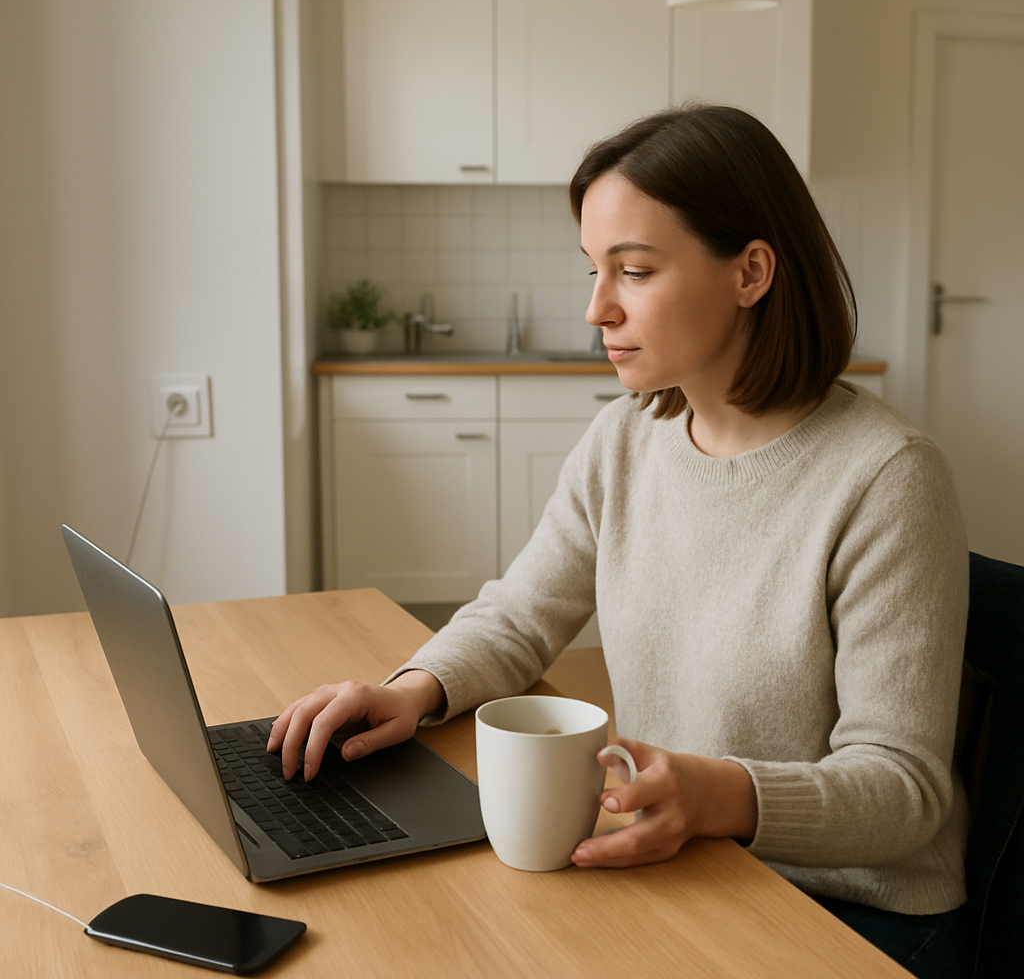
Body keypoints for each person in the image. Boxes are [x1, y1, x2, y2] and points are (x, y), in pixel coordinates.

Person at [270, 106, 971, 977]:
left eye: (633, 271)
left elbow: (904, 790)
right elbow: (522, 616)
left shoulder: (889, 478)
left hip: (848, 913)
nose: (597, 308)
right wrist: (413, 691)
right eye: (593, 269)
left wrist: (721, 793)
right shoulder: (626, 438)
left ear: (752, 271)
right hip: (688, 866)